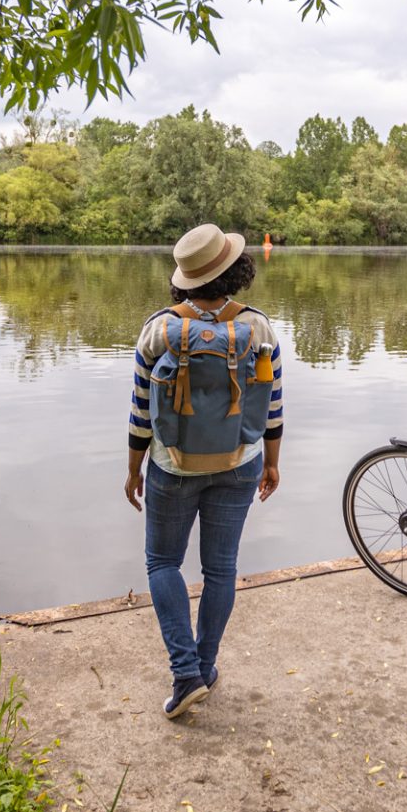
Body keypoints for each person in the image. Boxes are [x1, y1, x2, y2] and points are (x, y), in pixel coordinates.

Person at [125, 224, 283, 718]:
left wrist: (134, 470)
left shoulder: (158, 329)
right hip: (240, 463)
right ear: (235, 270)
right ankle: (205, 666)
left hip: (173, 467)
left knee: (162, 564)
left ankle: (185, 672)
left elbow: (140, 412)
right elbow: (273, 405)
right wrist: (272, 463)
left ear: (184, 278)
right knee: (221, 570)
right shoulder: (258, 328)